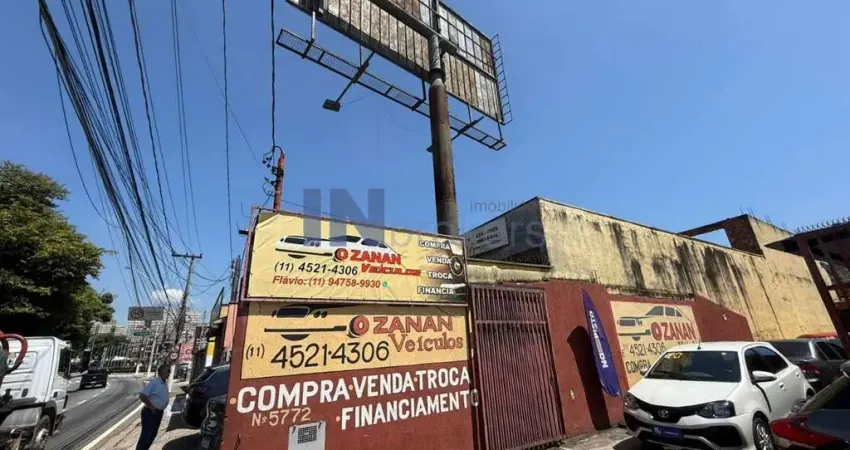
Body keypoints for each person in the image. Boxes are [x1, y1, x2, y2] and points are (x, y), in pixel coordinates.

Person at [136, 364, 170, 450]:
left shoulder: (164, 383)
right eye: (168, 371)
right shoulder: (155, 382)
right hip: (151, 413)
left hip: (158, 413)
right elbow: (143, 395)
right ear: (161, 372)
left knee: (153, 435)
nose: (169, 373)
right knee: (146, 436)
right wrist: (151, 407)